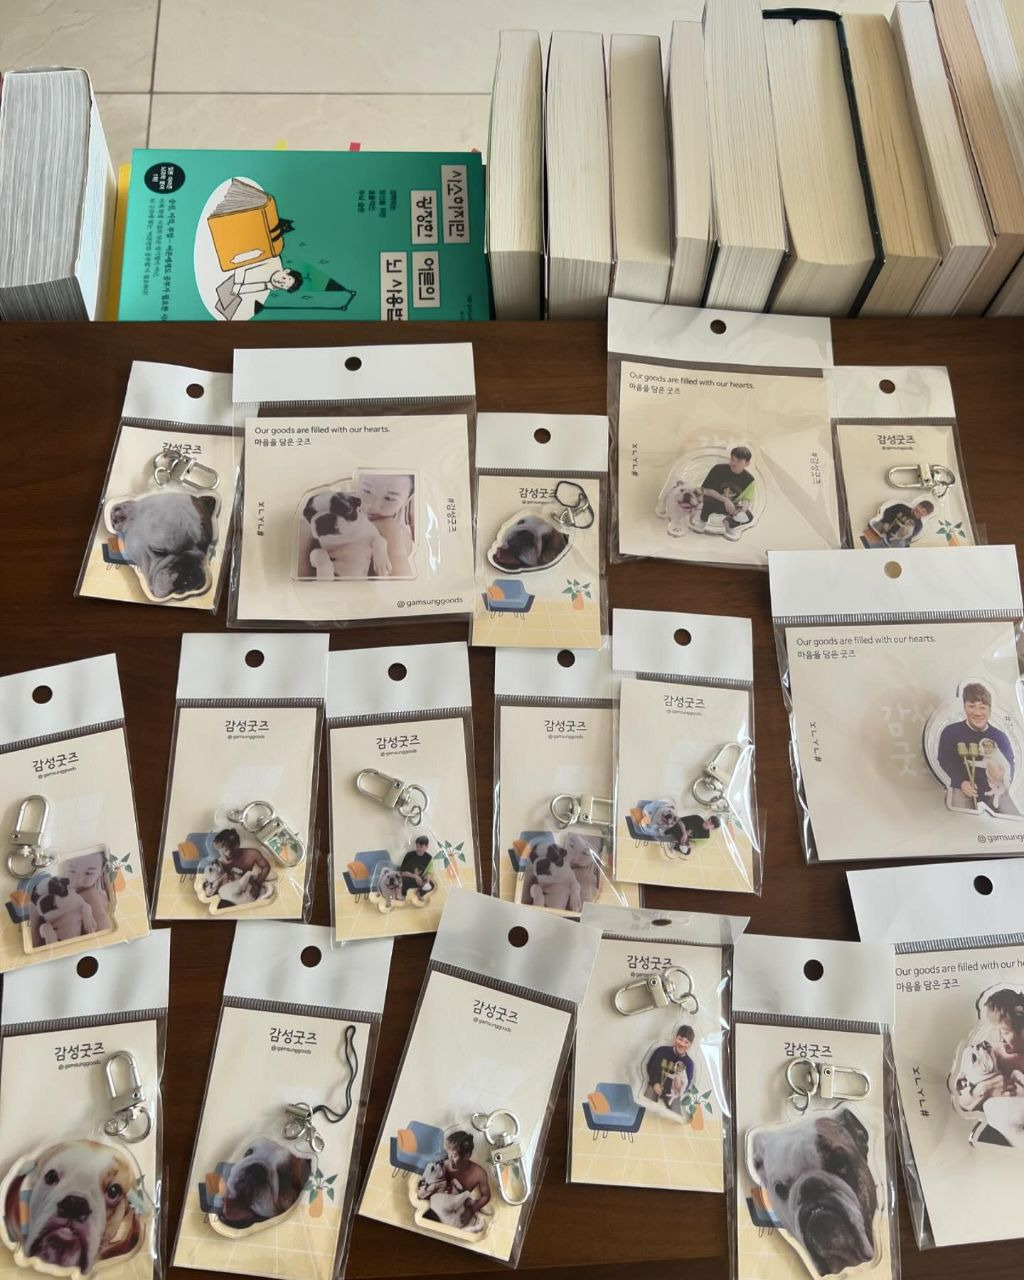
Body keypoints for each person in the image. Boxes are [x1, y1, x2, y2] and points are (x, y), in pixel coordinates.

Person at [936, 682, 1019, 816]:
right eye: (971, 706)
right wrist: (961, 782)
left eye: (982, 707)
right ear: (964, 706)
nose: (977, 712)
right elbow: (944, 759)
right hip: (963, 788)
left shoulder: (999, 736)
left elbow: (1011, 763)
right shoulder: (951, 732)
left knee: (1014, 818)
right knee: (959, 820)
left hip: (996, 788)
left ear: (989, 710)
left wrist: (1002, 776)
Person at [419, 1131, 491, 1220]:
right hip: (439, 1206)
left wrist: (472, 1210)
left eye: (455, 1156)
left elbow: (486, 1196)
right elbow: (425, 1186)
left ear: (467, 1155)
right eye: (448, 1154)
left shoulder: (478, 1173)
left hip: (457, 1208)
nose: (450, 1159)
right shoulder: (442, 1167)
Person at [690, 447, 755, 541]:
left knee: (748, 516)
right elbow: (706, 490)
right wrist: (725, 500)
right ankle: (701, 520)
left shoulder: (750, 480)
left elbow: (746, 499)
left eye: (739, 461)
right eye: (732, 459)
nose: (734, 463)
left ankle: (730, 523)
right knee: (704, 500)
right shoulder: (718, 469)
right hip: (712, 501)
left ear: (747, 463)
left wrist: (743, 509)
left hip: (730, 507)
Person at [643, 1026, 697, 1114]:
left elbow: (687, 1082)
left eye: (686, 1042)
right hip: (655, 1086)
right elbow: (651, 1066)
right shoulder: (662, 1051)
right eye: (680, 1039)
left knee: (675, 1115)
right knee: (645, 1109)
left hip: (673, 1094)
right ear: (675, 1038)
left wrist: (679, 1089)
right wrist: (655, 1082)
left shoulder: (689, 1064)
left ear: (690, 1045)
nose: (682, 1044)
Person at [865, 499, 934, 548]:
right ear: (917, 504)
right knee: (867, 541)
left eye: (924, 512)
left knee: (898, 544)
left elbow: (909, 537)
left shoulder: (918, 525)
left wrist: (901, 536)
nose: (920, 511)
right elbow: (888, 511)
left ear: (926, 515)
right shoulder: (901, 507)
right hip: (882, 528)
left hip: (892, 539)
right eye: (920, 507)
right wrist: (887, 522)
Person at [398, 834, 436, 901]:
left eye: (421, 847)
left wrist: (427, 880)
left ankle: (420, 892)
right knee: (404, 880)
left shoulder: (429, 858)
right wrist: (416, 877)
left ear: (426, 847)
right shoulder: (410, 855)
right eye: (417, 846)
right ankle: (403, 895)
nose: (418, 849)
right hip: (409, 878)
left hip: (420, 880)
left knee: (431, 885)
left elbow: (429, 872)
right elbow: (402, 873)